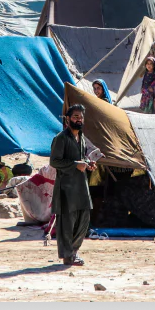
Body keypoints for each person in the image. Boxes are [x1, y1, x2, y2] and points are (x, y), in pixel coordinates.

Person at [49, 104, 96, 266]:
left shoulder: (82, 138)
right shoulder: (61, 138)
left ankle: (74, 252)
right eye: (76, 117)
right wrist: (75, 164)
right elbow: (54, 161)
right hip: (66, 188)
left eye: (81, 117)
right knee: (67, 224)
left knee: (83, 220)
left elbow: (82, 158)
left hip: (81, 187)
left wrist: (89, 163)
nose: (79, 120)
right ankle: (67, 256)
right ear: (68, 119)